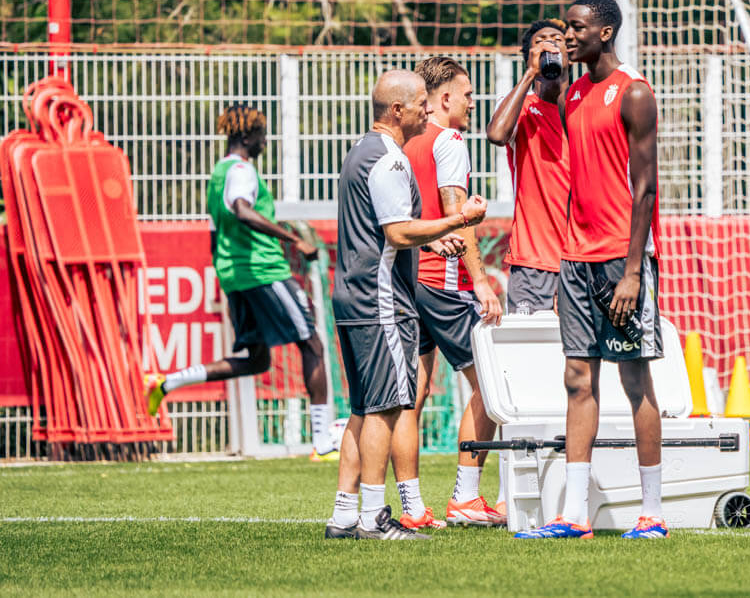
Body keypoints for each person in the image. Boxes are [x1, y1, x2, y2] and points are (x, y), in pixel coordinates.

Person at [513, 0, 667, 540]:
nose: (567, 36)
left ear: (605, 33)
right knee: (577, 379)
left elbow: (646, 189)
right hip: (574, 261)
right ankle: (574, 514)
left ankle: (652, 514)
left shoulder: (635, 93)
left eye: (576, 28)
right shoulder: (572, 94)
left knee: (635, 380)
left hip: (621, 260)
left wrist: (633, 271)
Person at [324, 69, 486, 540]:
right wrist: (459, 219)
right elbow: (397, 231)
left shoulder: (360, 150)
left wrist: (430, 242)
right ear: (397, 110)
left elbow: (382, 230)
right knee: (387, 408)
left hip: (352, 296)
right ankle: (375, 516)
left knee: (363, 408)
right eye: (420, 104)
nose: (427, 110)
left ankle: (343, 516)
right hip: (380, 301)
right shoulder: (390, 159)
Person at [144, 106, 335, 460]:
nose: (265, 142)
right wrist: (294, 240)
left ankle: (166, 383)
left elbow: (215, 230)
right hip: (262, 271)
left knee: (256, 360)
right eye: (262, 135)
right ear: (247, 137)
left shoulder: (218, 173)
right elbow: (242, 209)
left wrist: (225, 271)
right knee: (312, 344)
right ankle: (323, 442)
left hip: (235, 276)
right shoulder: (242, 170)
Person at [396, 56, 504, 530]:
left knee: (412, 395)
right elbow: (458, 216)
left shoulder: (406, 141)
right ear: (444, 99)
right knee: (492, 384)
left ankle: (412, 506)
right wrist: (479, 280)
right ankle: (465, 496)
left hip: (408, 277)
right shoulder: (450, 142)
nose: (473, 102)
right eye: (467, 94)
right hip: (442, 279)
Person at [486, 18, 571, 315]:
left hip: (581, 259)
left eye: (558, 39)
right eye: (540, 42)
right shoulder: (519, 106)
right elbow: (497, 135)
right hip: (532, 262)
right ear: (529, 57)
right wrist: (530, 75)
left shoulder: (584, 106)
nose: (550, 44)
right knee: (530, 344)